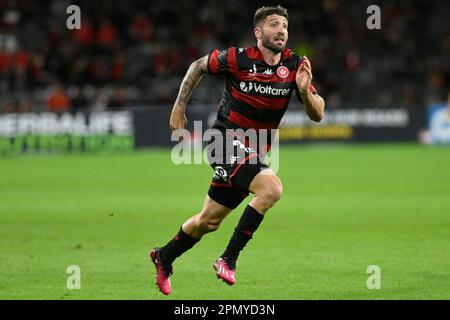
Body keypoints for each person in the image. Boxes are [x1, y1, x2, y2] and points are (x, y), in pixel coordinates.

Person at [150, 5, 325, 295]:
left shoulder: (295, 65)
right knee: (271, 189)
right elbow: (198, 66)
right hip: (222, 141)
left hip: (253, 153)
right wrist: (179, 107)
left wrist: (305, 92)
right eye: (273, 24)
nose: (281, 30)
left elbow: (318, 114)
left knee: (209, 221)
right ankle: (227, 259)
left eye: (284, 25)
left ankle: (164, 256)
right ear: (258, 32)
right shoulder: (239, 58)